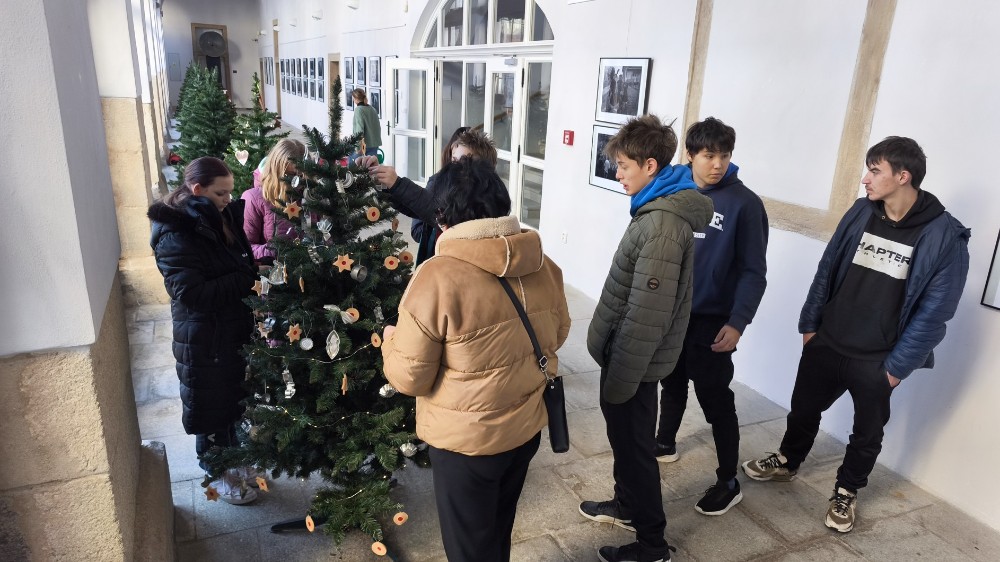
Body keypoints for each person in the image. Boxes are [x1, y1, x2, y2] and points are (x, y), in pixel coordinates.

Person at [742, 136, 970, 533]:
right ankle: (788, 461)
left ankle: (846, 491)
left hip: (879, 357)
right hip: (828, 339)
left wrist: (896, 368)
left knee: (866, 433)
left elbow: (937, 312)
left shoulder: (944, 236)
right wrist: (810, 326)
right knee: (803, 409)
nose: (865, 178)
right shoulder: (861, 211)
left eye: (875, 171)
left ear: (903, 176)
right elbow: (827, 266)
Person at [381, 158, 571, 562]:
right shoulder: (544, 264)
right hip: (524, 429)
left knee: (469, 548)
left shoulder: (437, 277)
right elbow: (558, 334)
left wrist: (390, 341)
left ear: (442, 216)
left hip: (467, 443)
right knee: (498, 531)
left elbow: (410, 377)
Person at [581, 115, 714, 562]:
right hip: (628, 358)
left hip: (632, 363)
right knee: (626, 442)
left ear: (650, 165)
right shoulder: (655, 208)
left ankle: (652, 545)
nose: (617, 174)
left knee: (636, 449)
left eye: (623, 166)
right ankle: (626, 506)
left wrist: (621, 376)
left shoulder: (661, 226)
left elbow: (646, 315)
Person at [654, 117, 769, 516]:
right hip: (672, 314)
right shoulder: (673, 190)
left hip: (713, 320)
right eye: (708, 155)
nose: (718, 163)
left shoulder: (745, 204)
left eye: (724, 155)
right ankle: (664, 443)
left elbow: (754, 271)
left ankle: (728, 481)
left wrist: (738, 322)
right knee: (670, 382)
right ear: (690, 155)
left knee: (716, 399)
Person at [147, 157, 260, 505]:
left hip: (228, 328)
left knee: (231, 400)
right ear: (197, 189)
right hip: (204, 336)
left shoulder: (217, 216)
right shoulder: (176, 231)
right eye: (220, 193)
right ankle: (217, 473)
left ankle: (235, 460)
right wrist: (243, 279)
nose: (228, 199)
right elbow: (190, 292)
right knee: (210, 404)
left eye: (230, 192)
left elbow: (238, 261)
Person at [362, 127, 498, 264]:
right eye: (453, 160)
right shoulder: (445, 184)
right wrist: (385, 184)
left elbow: (438, 212)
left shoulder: (484, 201)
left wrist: (398, 184)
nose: (454, 167)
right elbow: (416, 209)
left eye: (462, 163)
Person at [241, 138, 306, 264]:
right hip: (273, 269)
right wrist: (275, 251)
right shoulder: (253, 198)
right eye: (290, 175)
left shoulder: (309, 195)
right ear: (275, 170)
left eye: (301, 176)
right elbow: (245, 248)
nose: (296, 182)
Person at [352, 88, 382, 160]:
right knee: (371, 166)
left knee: (352, 164)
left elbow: (359, 130)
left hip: (363, 146)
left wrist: (358, 147)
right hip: (374, 144)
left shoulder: (358, 110)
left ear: (355, 98)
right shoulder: (372, 109)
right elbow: (377, 127)